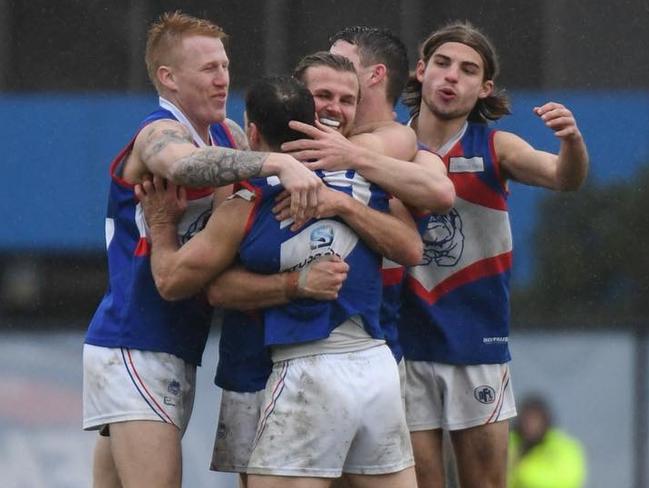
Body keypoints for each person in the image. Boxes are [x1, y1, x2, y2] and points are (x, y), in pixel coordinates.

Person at [138, 73, 418, 488]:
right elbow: (412, 248)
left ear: (251, 131)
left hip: (309, 371)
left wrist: (161, 225)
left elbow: (174, 281)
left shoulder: (247, 200)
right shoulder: (361, 174)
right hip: (377, 367)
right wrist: (343, 204)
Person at [82, 11, 320, 488]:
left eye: (225, 65)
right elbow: (186, 166)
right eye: (208, 68)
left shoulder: (228, 135)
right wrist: (275, 162)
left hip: (176, 339)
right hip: (137, 338)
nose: (223, 78)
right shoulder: (156, 134)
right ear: (169, 79)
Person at [396, 21, 589, 488]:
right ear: (421, 71)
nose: (450, 77)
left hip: (476, 343)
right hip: (403, 346)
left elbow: (563, 177)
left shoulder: (496, 147)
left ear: (483, 88)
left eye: (467, 70)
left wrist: (572, 142)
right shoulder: (387, 145)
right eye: (441, 63)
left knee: (485, 483)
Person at [508, 395, 586, 488]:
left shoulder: (564, 447)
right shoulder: (509, 442)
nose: (530, 425)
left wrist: (520, 469)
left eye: (535, 419)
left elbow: (567, 480)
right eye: (527, 419)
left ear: (546, 420)